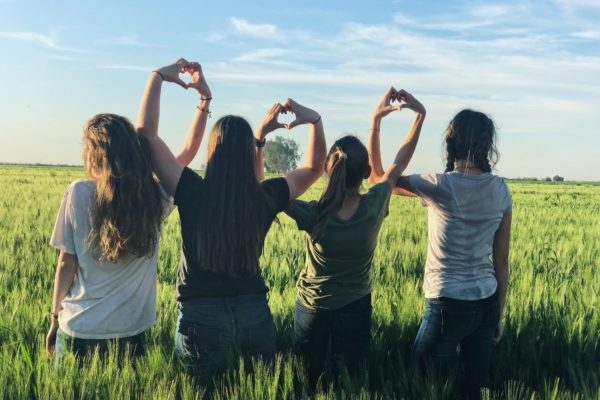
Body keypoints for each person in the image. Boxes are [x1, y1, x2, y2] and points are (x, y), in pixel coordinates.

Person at [136, 59, 327, 382]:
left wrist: (157, 77)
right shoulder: (265, 197)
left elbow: (146, 137)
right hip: (255, 315)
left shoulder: (191, 190)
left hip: (200, 317)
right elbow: (314, 167)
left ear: (212, 152)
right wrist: (315, 121)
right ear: (248, 154)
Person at [45, 61, 211, 358]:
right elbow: (185, 154)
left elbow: (65, 265)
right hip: (131, 333)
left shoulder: (77, 193)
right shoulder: (153, 197)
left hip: (79, 329)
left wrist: (55, 318)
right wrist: (202, 101)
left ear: (92, 154)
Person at [281, 87, 426, 388]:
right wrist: (415, 117)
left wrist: (260, 140)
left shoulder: (315, 213)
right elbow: (399, 162)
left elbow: (270, 194)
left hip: (313, 308)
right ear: (365, 172)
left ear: (327, 170)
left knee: (304, 383)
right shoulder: (375, 204)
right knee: (352, 384)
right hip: (356, 307)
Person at [370, 108, 512, 399]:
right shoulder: (500, 189)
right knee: (472, 389)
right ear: (487, 144)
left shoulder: (440, 185)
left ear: (451, 141)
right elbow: (501, 260)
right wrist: (498, 313)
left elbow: (378, 180)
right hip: (486, 302)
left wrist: (377, 121)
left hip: (446, 302)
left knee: (418, 378)